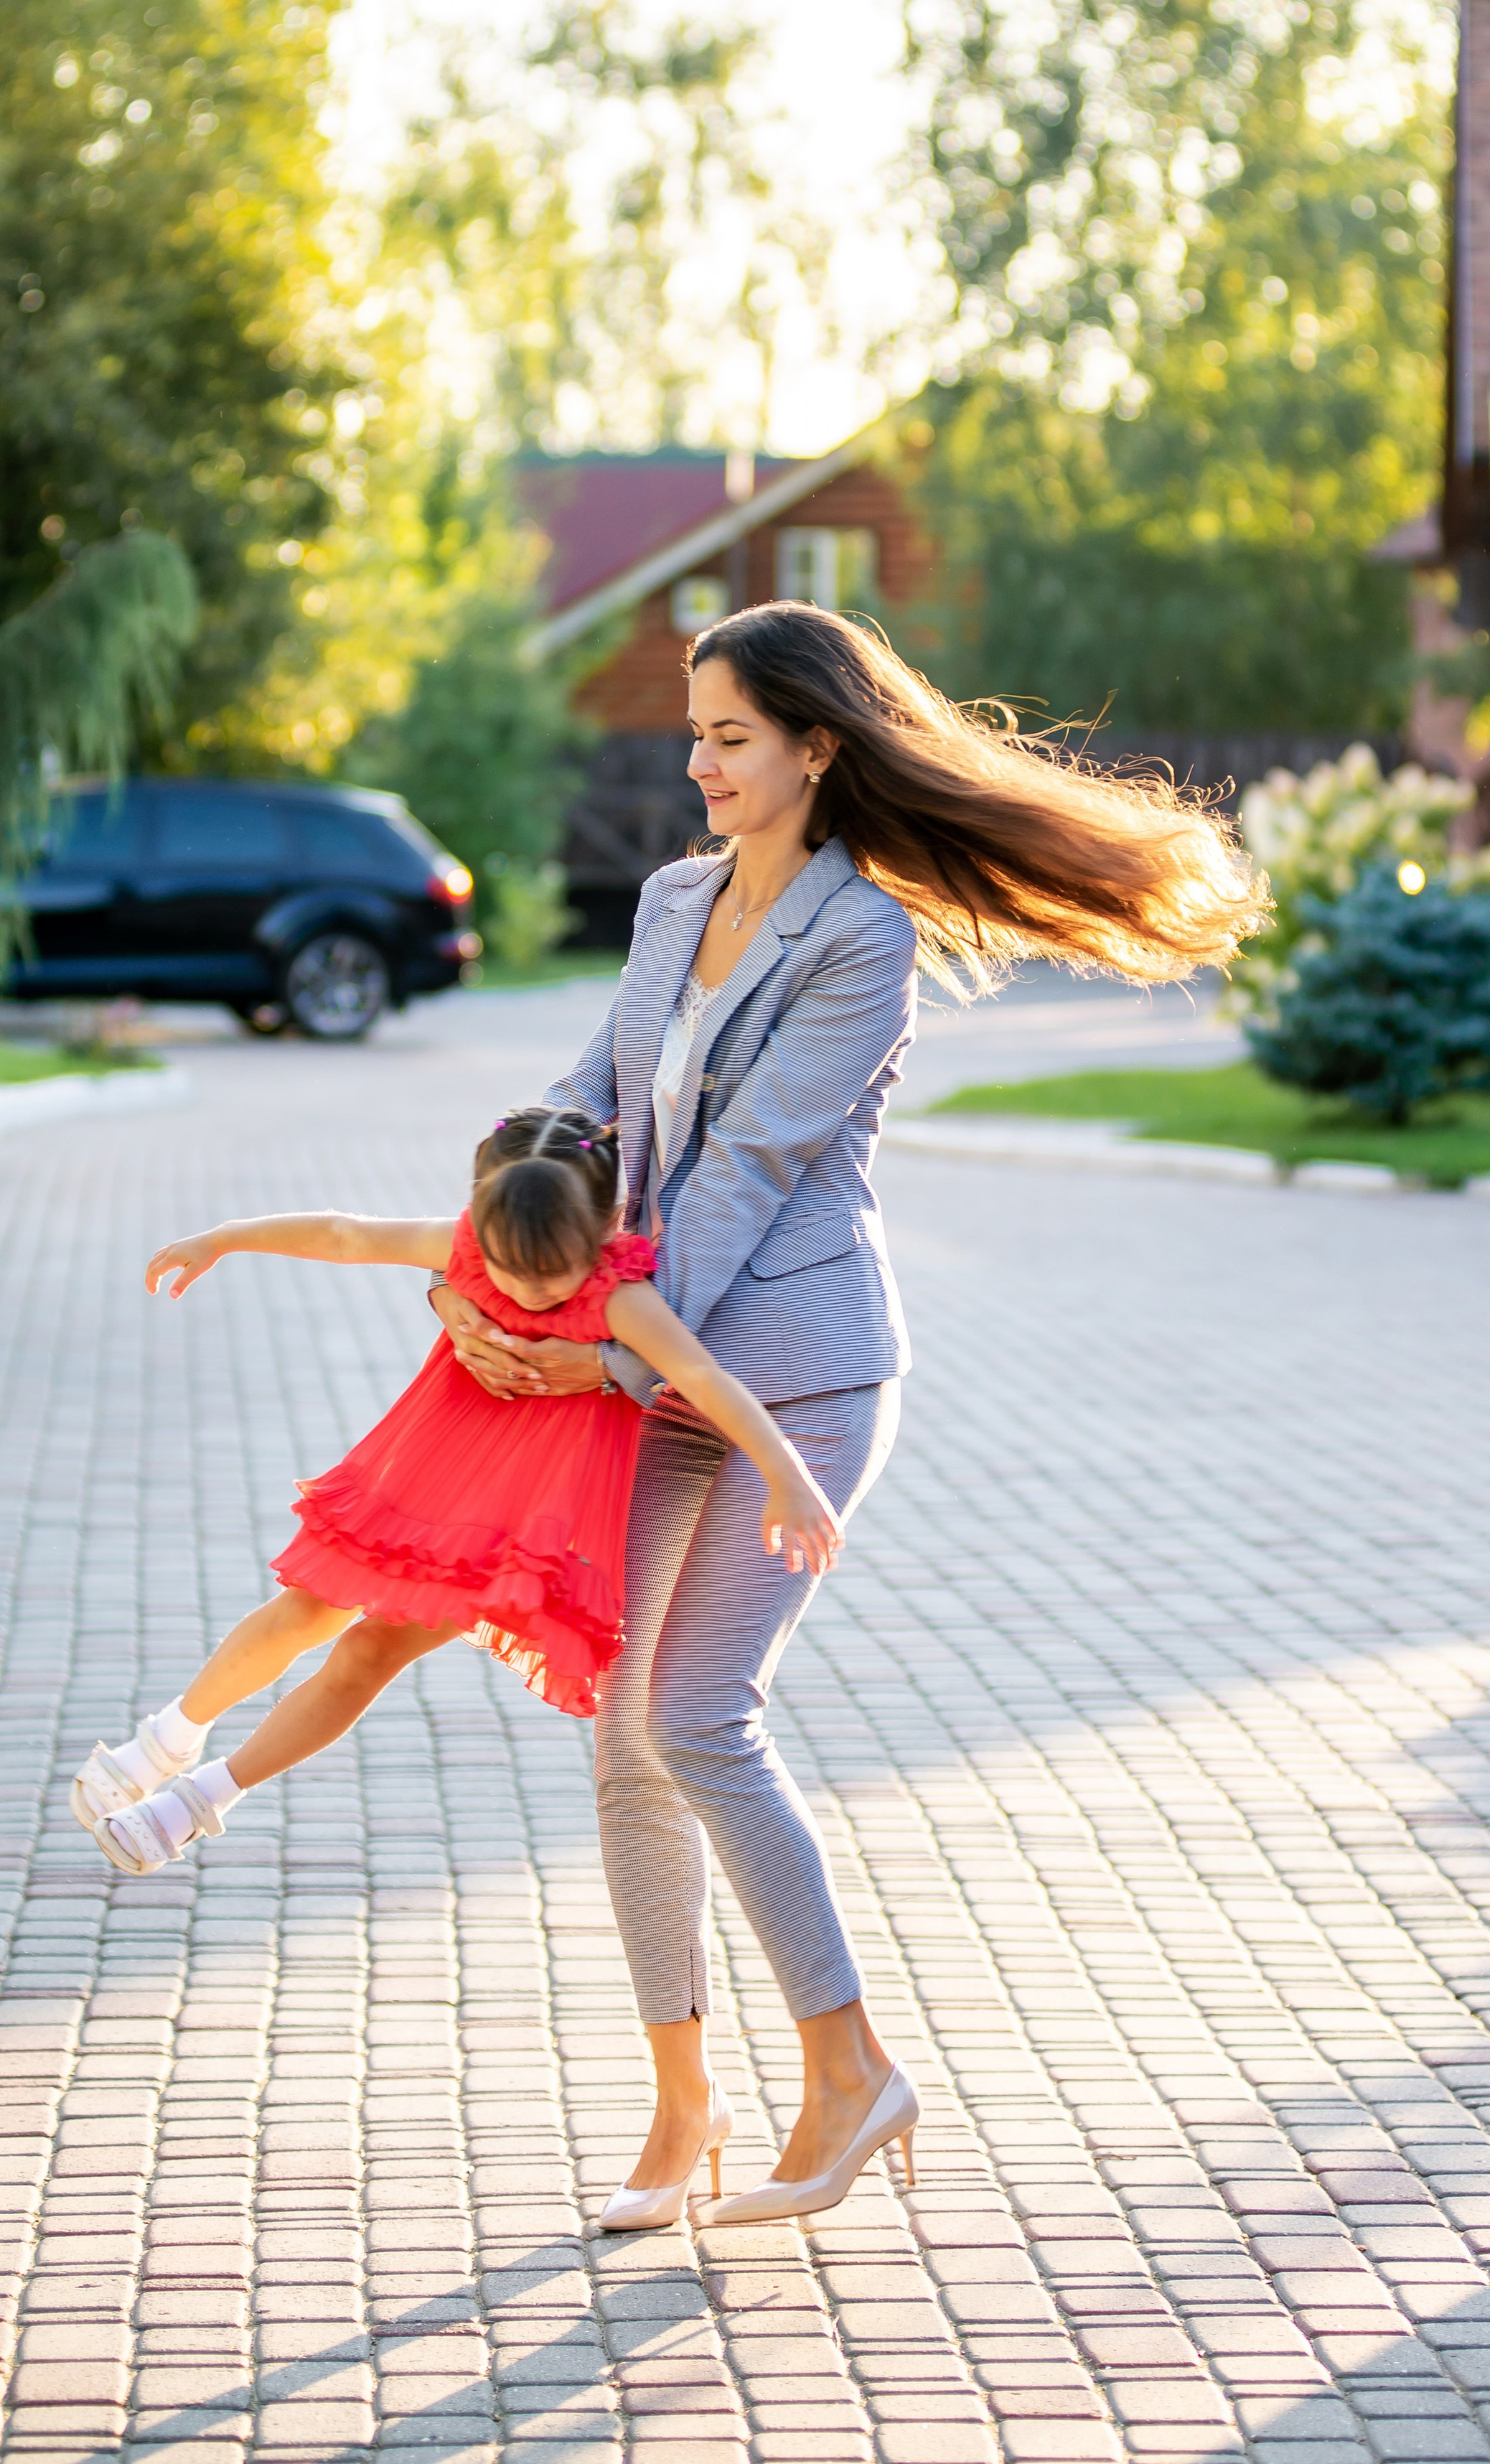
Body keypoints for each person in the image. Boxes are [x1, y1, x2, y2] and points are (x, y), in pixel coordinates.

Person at [428, 600, 1263, 2232]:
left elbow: (744, 1174)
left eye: (732, 735)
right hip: (648, 1353)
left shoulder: (857, 938)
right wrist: (488, 1257)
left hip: (789, 1378)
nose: (700, 762)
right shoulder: (673, 900)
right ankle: (684, 2111)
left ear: (819, 747)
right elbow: (582, 1101)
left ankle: (850, 2069)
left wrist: (607, 1351)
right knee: (621, 1737)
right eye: (695, 732)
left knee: (698, 1716)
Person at [72, 1097, 844, 2121]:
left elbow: (707, 1377)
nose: (523, 1292)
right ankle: (168, 1733)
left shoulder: (623, 1298)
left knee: (371, 1655)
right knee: (308, 1607)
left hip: (517, 1522)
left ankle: (201, 1794)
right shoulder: (474, 1249)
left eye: (545, 1278)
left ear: (602, 1237)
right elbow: (347, 1233)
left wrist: (788, 1475)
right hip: (425, 1472)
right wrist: (228, 1236)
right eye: (509, 1269)